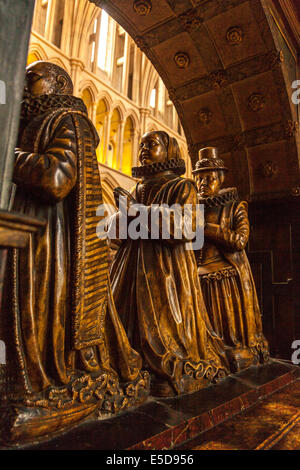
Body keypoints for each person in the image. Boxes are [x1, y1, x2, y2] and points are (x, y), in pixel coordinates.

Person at [1, 61, 149, 419]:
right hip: (22, 230)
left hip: (51, 242)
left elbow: (56, 179)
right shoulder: (28, 121)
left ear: (59, 84)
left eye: (33, 78)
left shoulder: (69, 119)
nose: (24, 84)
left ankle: (46, 381)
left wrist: (9, 157)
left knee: (35, 316)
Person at [109, 131, 228, 397]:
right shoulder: (134, 188)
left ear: (169, 150)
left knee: (164, 326)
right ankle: (128, 363)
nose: (143, 149)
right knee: (123, 323)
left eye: (151, 145)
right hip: (131, 266)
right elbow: (118, 235)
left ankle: (165, 367)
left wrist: (135, 212)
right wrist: (119, 217)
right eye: (141, 144)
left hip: (166, 270)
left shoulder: (182, 186)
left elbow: (188, 227)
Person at [193, 147, 269, 372]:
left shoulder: (235, 206)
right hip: (197, 275)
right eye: (199, 179)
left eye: (209, 178)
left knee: (227, 331)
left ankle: (234, 347)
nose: (203, 183)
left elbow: (240, 240)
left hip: (225, 277)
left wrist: (207, 228)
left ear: (220, 179)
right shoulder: (194, 208)